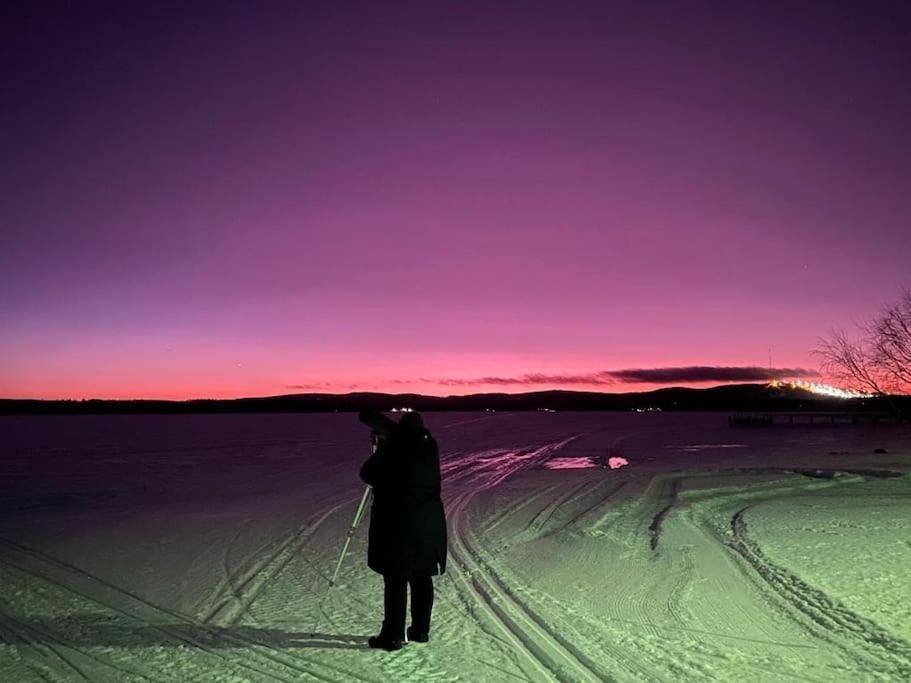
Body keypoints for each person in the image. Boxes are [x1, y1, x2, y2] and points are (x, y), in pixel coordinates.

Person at [359, 411, 447, 651]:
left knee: (396, 577)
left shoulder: (394, 447)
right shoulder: (429, 445)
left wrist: (381, 448)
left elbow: (368, 474)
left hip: (399, 524)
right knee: (421, 575)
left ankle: (393, 635)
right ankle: (420, 631)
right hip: (429, 524)